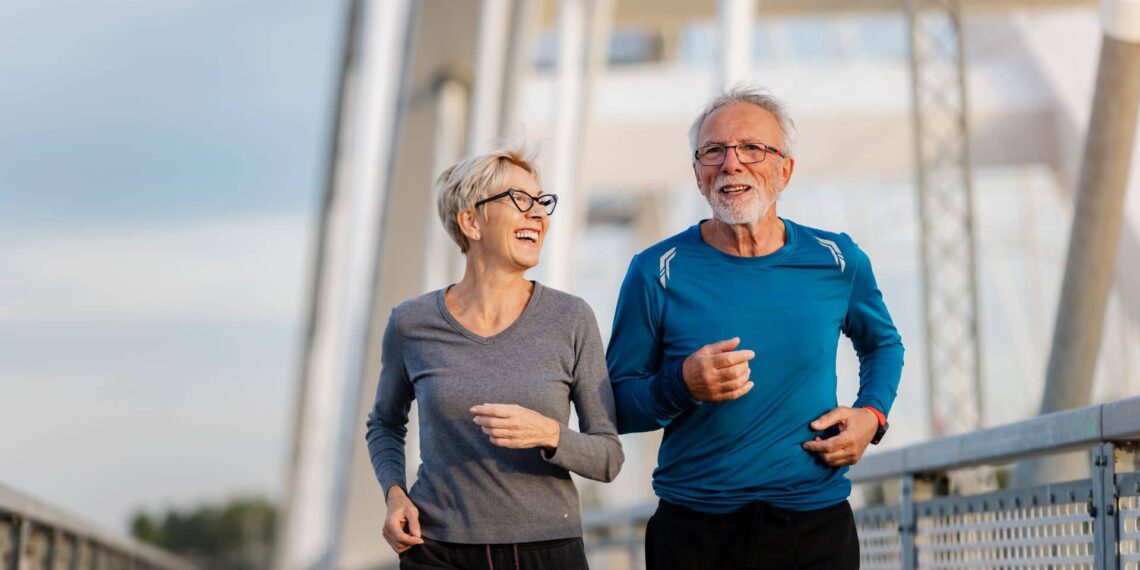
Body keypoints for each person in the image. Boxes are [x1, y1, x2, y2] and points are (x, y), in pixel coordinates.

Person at [606, 85, 904, 570]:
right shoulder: (655, 270)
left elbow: (883, 345)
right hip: (695, 532)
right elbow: (614, 406)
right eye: (714, 152)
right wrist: (680, 385)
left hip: (816, 524)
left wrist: (872, 414)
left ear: (785, 169)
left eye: (752, 148)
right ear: (698, 174)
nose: (731, 164)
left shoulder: (836, 259)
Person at [365, 148, 623, 570]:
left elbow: (609, 457)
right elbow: (385, 424)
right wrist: (395, 494)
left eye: (542, 202)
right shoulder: (411, 323)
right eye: (519, 200)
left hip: (548, 551)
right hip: (436, 550)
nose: (538, 214)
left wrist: (549, 434)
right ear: (471, 221)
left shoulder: (571, 318)